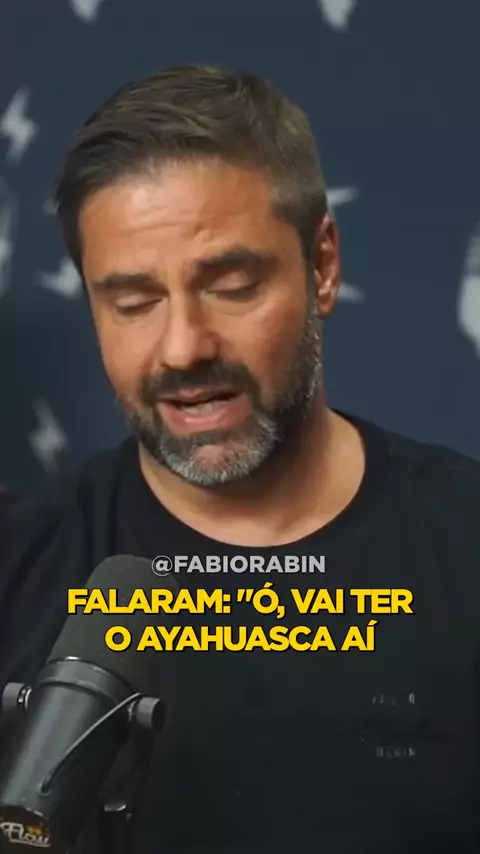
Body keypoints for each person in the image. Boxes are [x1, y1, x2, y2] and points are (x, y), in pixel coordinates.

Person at [1, 64, 480, 854]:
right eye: (133, 303)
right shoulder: (18, 562)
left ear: (322, 266)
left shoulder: (463, 540)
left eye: (230, 285)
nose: (183, 348)